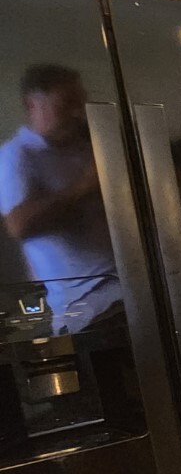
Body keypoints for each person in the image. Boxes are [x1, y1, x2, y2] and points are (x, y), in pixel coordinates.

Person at [0, 64, 122, 332]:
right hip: (88, 308)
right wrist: (84, 187)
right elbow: (19, 225)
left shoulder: (84, 149)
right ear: (32, 104)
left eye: (80, 103)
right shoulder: (17, 155)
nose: (78, 112)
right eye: (67, 103)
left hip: (127, 288)